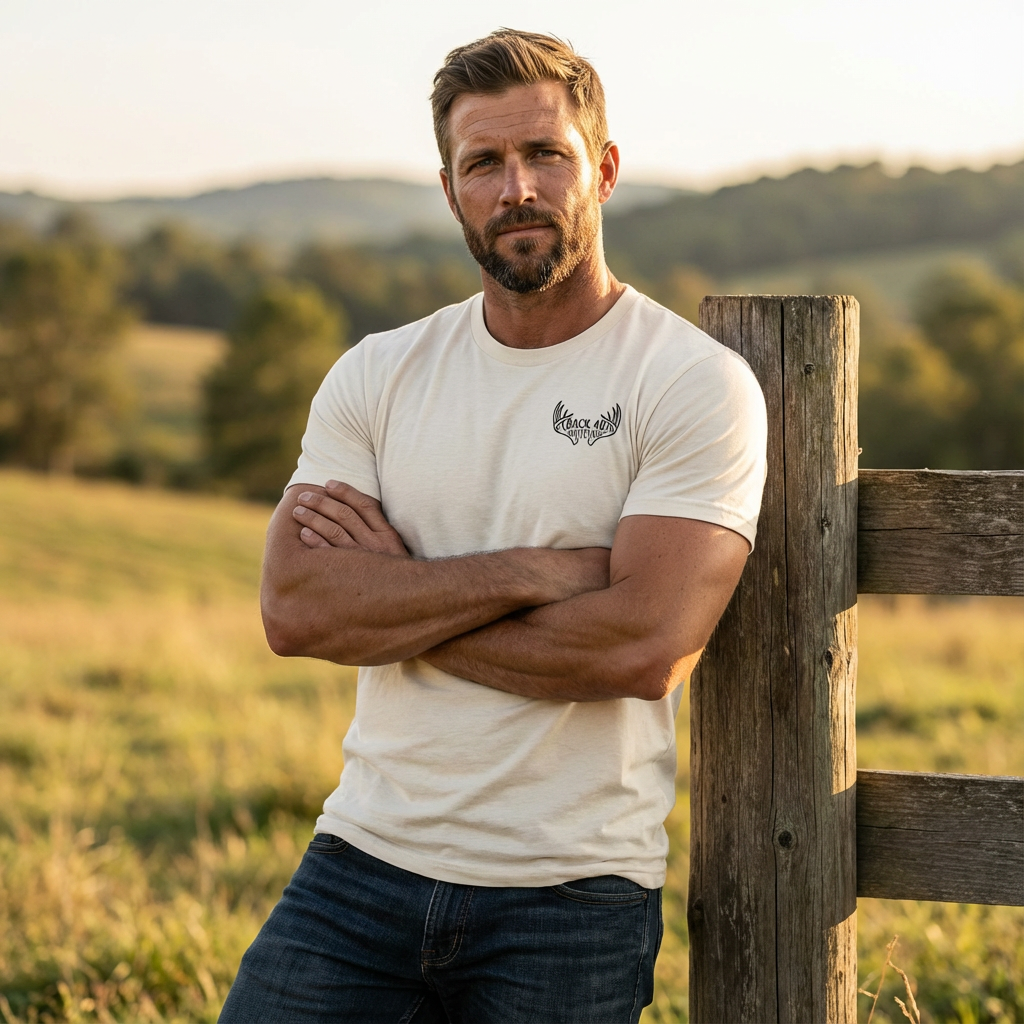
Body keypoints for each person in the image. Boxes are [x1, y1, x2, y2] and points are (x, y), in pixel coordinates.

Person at [219, 28, 767, 1024]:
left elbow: (644, 644)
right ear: (449, 189)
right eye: (484, 163)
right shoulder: (378, 374)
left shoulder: (689, 383)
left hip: (569, 896)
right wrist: (536, 570)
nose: (516, 186)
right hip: (359, 864)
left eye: (545, 154)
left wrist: (401, 598)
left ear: (600, 169)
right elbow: (297, 610)